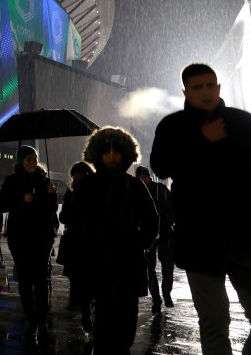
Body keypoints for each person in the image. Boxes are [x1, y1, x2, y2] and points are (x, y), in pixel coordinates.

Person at [151, 63, 251, 355]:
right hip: (199, 240)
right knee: (213, 321)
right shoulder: (172, 126)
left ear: (219, 87)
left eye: (210, 85)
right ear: (185, 91)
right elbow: (161, 167)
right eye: (198, 87)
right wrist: (200, 140)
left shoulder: (242, 122)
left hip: (244, 237)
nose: (206, 92)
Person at [68, 126, 158, 355]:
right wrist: (83, 246)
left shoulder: (134, 185)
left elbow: (151, 218)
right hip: (97, 260)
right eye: (106, 151)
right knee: (104, 318)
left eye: (116, 151)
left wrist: (140, 243)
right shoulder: (87, 185)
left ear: (124, 154)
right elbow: (75, 220)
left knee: (127, 317)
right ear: (98, 154)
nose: (111, 155)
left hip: (127, 261)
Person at [0, 145, 58, 345]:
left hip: (42, 236)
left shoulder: (45, 180)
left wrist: (52, 194)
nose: (32, 162)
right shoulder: (12, 181)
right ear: (20, 161)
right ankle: (31, 318)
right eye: (28, 159)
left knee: (41, 278)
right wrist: (20, 199)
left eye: (34, 158)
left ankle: (41, 320)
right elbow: (2, 205)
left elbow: (51, 210)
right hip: (20, 236)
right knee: (25, 279)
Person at [58, 161, 96, 333]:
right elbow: (64, 218)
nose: (77, 180)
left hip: (87, 240)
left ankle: (85, 305)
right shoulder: (71, 194)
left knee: (84, 275)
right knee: (78, 275)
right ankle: (83, 306)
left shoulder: (95, 191)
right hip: (77, 240)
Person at [135, 165, 175, 314]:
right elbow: (171, 209)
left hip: (153, 233)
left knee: (154, 268)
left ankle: (160, 296)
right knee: (162, 266)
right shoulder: (160, 190)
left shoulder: (140, 191)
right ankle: (162, 295)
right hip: (161, 232)